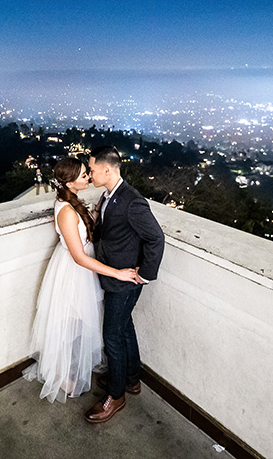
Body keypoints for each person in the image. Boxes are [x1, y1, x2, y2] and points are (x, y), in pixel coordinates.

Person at [23, 157, 142, 403]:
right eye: (82, 175)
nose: (88, 177)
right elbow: (78, 256)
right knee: (66, 325)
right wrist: (117, 273)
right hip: (73, 271)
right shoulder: (66, 211)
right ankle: (58, 373)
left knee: (76, 323)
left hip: (83, 270)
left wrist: (97, 211)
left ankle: (71, 369)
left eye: (87, 173)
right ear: (68, 181)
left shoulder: (73, 202)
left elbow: (86, 233)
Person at [84, 145, 164, 424]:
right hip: (115, 276)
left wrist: (146, 274)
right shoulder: (109, 196)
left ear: (107, 169)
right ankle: (131, 378)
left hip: (125, 281)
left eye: (92, 169)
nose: (89, 173)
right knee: (124, 327)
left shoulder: (132, 200)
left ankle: (116, 397)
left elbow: (156, 237)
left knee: (112, 337)